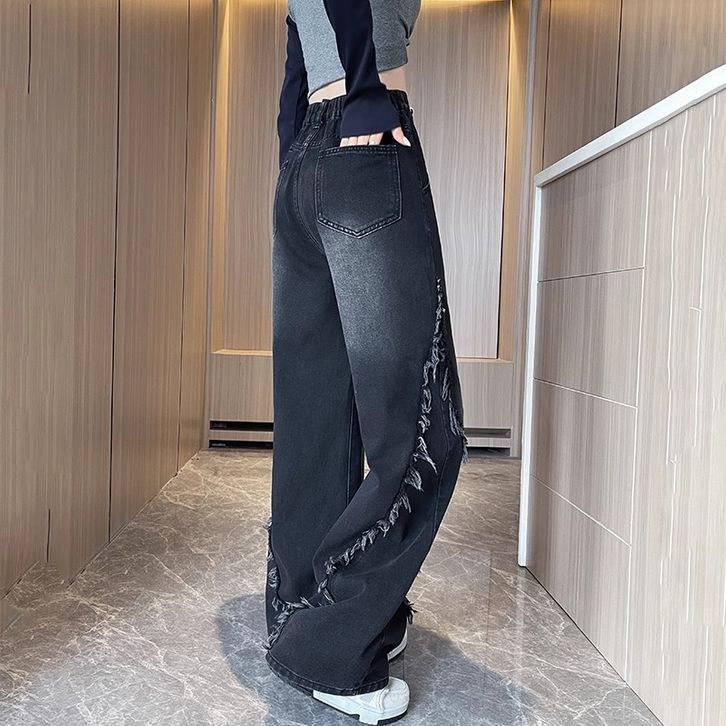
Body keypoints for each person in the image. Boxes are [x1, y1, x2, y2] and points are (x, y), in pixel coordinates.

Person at [264, 1, 468, 722]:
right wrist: (367, 90)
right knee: (421, 429)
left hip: (305, 165)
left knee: (317, 416)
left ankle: (302, 615)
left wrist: (297, 152)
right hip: (366, 135)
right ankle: (330, 644)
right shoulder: (368, 98)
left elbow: (297, 46)